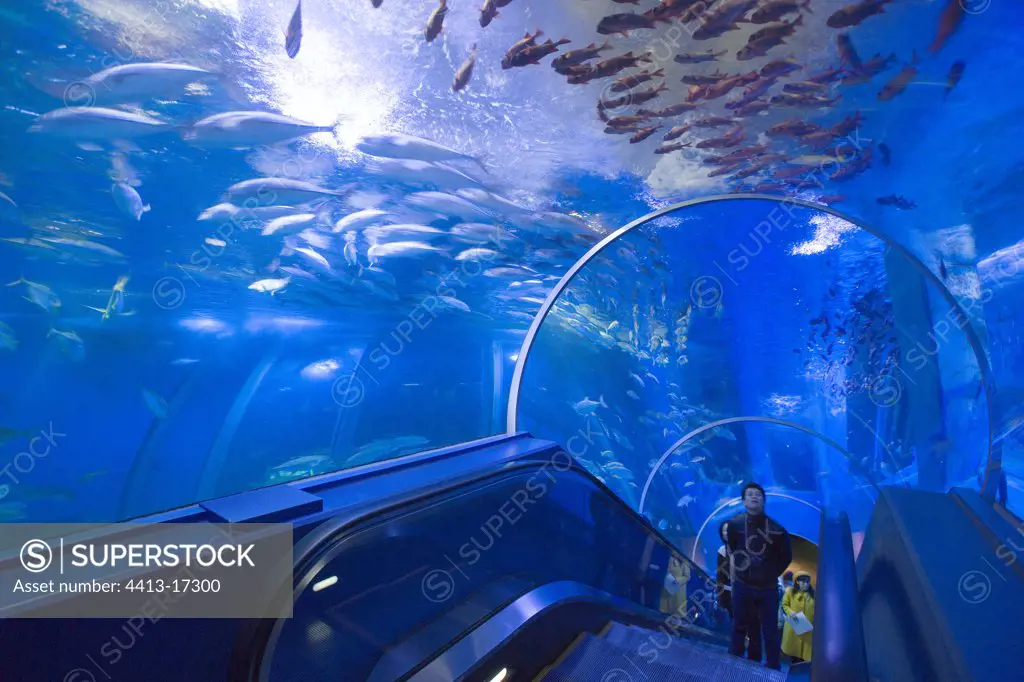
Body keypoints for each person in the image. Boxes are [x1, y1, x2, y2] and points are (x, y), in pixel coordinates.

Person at [726, 482, 793, 670]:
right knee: (739, 625)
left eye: (758, 494)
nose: (754, 497)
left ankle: (773, 667)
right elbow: (732, 547)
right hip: (742, 585)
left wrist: (770, 574)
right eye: (750, 494)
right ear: (744, 501)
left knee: (770, 631)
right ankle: (733, 662)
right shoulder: (735, 524)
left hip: (768, 588)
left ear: (764, 500)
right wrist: (740, 570)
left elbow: (786, 557)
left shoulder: (776, 529)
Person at [717, 521, 761, 660]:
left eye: (728, 530)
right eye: (723, 531)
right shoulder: (722, 551)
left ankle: (752, 655)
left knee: (750, 624)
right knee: (736, 623)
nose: (726, 533)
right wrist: (721, 597)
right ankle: (736, 652)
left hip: (748, 593)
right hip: (731, 594)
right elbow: (720, 577)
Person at [781, 572, 815, 663]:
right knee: (793, 653)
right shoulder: (790, 592)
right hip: (794, 627)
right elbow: (784, 604)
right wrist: (791, 613)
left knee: (804, 655)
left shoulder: (813, 594)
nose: (806, 584)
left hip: (807, 630)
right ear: (797, 582)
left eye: (807, 582)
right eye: (803, 582)